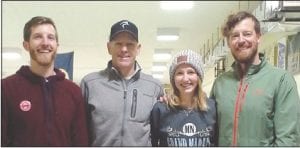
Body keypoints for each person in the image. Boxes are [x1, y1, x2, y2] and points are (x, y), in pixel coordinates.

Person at [210, 11, 300, 146]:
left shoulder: (281, 80)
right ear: (228, 43)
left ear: (258, 37)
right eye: (234, 36)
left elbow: (288, 140)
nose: (241, 40)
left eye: (247, 34)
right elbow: (208, 130)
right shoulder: (220, 84)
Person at [1, 16, 89, 146]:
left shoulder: (73, 91)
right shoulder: (6, 88)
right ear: (26, 45)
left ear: (57, 46)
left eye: (50, 37)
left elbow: (80, 142)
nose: (45, 43)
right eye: (38, 37)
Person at [80, 20, 163, 146]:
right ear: (109, 47)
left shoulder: (154, 86)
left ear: (138, 49)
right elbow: (81, 130)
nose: (124, 49)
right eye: (118, 44)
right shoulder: (90, 84)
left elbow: (159, 131)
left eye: (130, 44)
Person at [151, 49, 217, 147]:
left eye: (190, 72)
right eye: (179, 73)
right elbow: (153, 142)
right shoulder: (161, 109)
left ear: (198, 77)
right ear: (173, 79)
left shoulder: (212, 108)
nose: (185, 79)